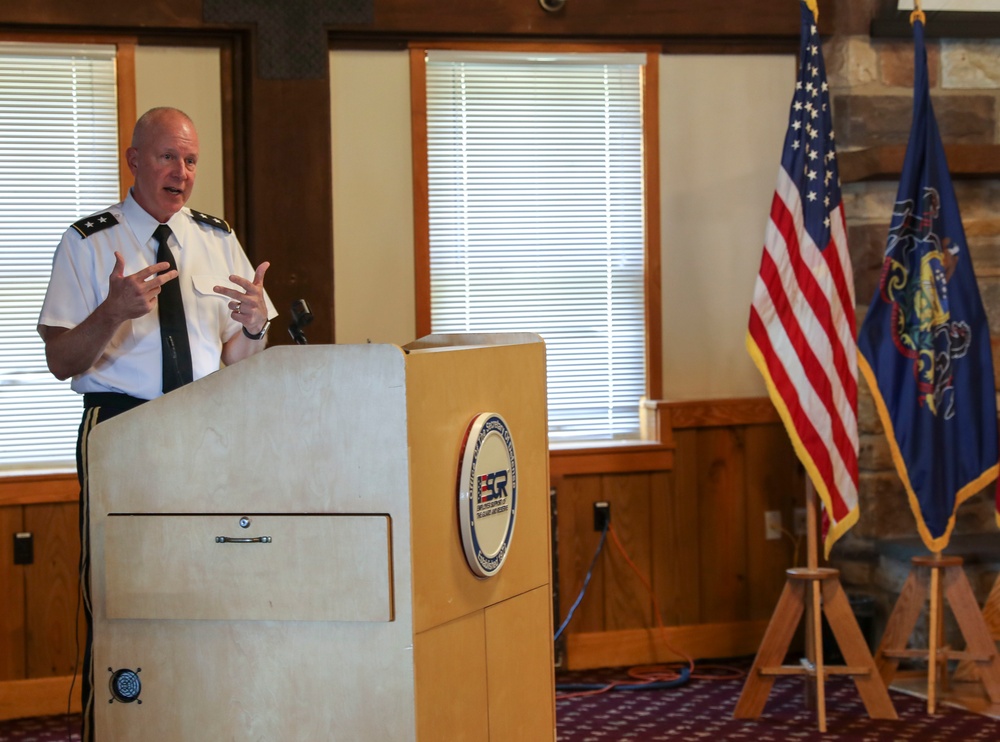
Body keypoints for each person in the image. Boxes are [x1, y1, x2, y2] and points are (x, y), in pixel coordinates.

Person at [36, 106, 277, 742]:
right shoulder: (87, 242)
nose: (182, 172)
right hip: (122, 430)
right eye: (169, 157)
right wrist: (111, 312)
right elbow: (61, 361)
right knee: (124, 596)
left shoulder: (216, 237)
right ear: (135, 160)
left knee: (203, 586)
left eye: (192, 160)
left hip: (203, 431)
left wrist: (254, 324)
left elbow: (235, 357)